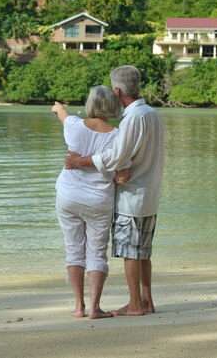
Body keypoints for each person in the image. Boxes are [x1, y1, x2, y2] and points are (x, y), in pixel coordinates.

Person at [65, 65, 165, 317]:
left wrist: (81, 161)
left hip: (132, 196)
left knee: (131, 252)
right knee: (143, 252)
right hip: (150, 193)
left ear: (118, 91)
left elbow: (117, 156)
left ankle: (135, 305)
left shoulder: (133, 118)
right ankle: (146, 301)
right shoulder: (152, 114)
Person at [51, 85, 128, 319]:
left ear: (90, 104)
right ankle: (95, 308)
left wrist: (58, 108)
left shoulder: (74, 125)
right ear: (112, 107)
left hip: (68, 196)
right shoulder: (118, 137)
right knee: (96, 253)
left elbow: (62, 115)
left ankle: (78, 307)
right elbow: (122, 176)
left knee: (73, 250)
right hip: (98, 201)